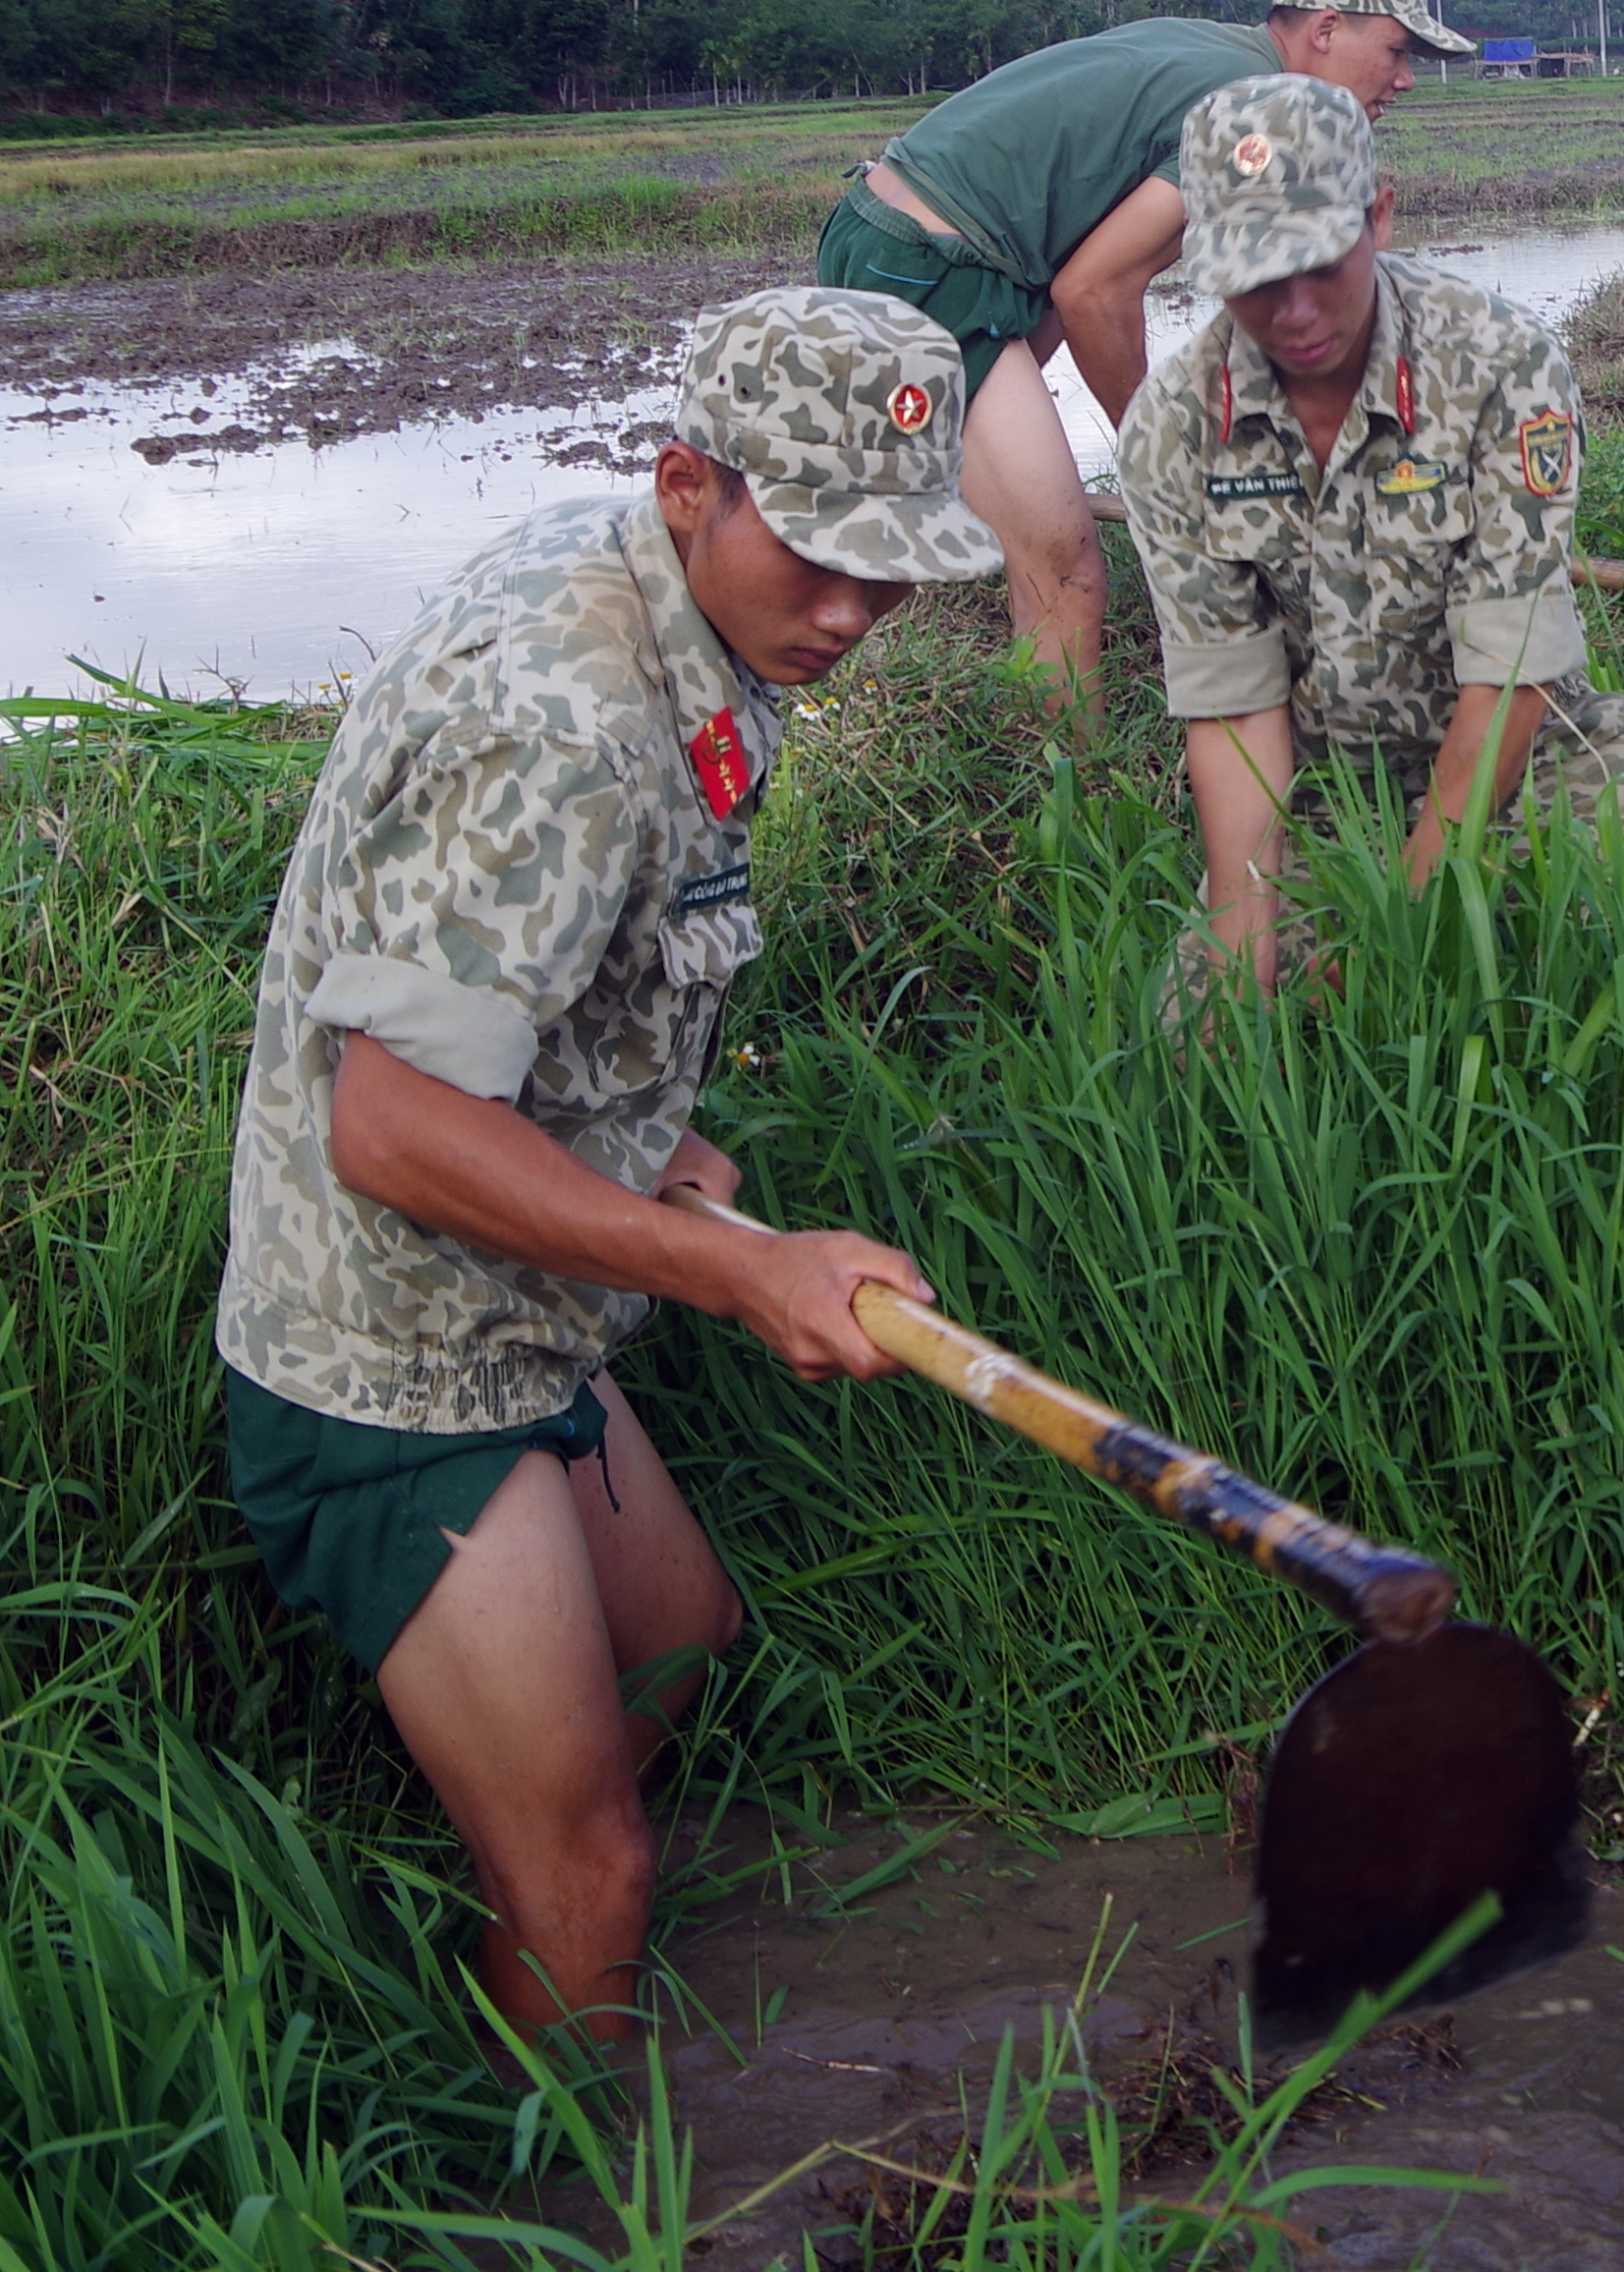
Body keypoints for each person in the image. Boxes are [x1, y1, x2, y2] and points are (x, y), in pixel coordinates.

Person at [216, 289, 996, 2061]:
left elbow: (561, 974)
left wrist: (638, 1129)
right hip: (394, 1353)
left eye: (894, 567)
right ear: (685, 485)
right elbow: (391, 1127)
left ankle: (505, 1833)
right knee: (599, 1883)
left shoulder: (688, 611)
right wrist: (738, 1266)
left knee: (681, 1651)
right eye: (816, 557)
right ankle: (548, 2174)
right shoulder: (562, 721)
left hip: (531, 1297)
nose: (854, 612)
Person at [1120, 76, 1624, 994]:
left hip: (1531, 752)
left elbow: (1512, 669)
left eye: (1322, 261)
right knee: (1202, 1037)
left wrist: (1411, 908)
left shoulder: (1501, 365)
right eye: (1255, 280)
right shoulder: (1172, 424)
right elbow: (1234, 709)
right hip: (1324, 796)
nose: (1297, 310)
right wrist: (1245, 946)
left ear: (1379, 215)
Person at [814, 0, 1478, 691]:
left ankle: (886, 709)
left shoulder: (1218, 48)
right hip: (936, 271)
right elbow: (1094, 292)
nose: (1405, 78)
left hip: (906, 244)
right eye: (1398, 50)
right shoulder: (1251, 106)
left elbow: (1072, 262)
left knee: (906, 526)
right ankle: (1074, 797)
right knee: (1065, 574)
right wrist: (1165, 462)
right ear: (1328, 27)